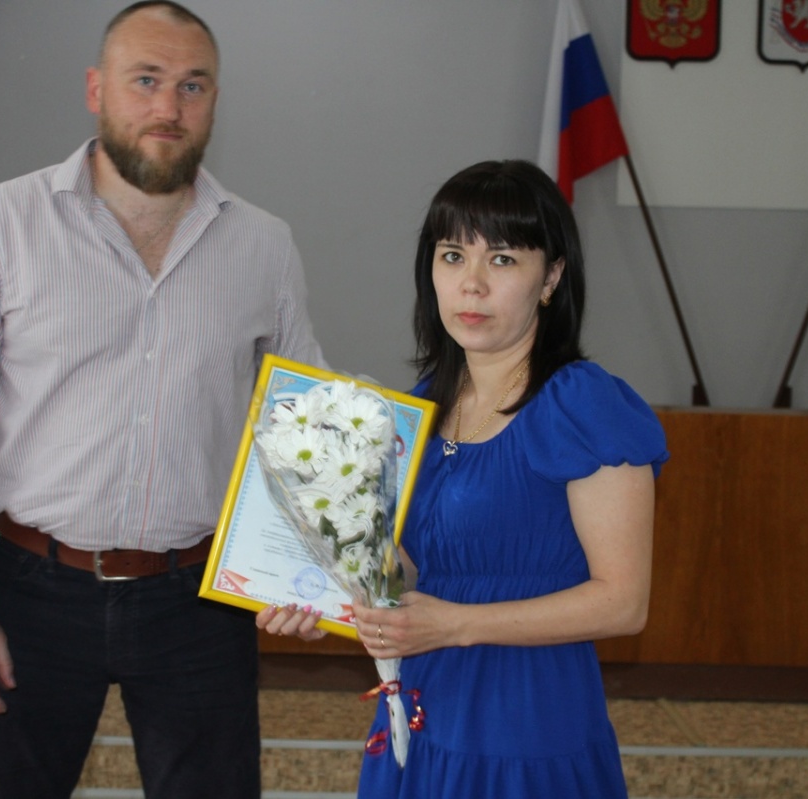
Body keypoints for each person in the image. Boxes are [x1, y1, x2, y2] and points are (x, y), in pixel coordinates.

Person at [0, 3, 323, 797]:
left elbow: (305, 425)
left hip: (200, 604)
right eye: (145, 80)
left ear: (215, 100)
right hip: (29, 591)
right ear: (96, 89)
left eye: (193, 85)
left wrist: (308, 567)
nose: (169, 107)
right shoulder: (1, 224)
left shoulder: (263, 244)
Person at [258, 159, 667, 797]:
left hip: (525, 721)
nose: (471, 284)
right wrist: (321, 594)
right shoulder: (419, 407)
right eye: (453, 256)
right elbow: (410, 570)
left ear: (551, 277)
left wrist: (456, 624)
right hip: (422, 708)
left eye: (502, 259)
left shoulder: (583, 405)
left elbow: (623, 603)